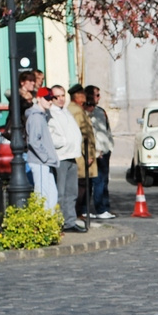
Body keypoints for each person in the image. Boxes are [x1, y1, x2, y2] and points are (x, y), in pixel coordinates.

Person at [46, 85, 85, 232]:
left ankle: (70, 221)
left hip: (71, 155)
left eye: (63, 95)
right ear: (52, 98)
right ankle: (59, 222)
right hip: (61, 156)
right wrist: (63, 142)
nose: (61, 99)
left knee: (72, 192)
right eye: (57, 96)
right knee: (60, 193)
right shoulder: (51, 113)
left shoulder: (66, 111)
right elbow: (51, 134)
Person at [24, 87, 59, 211]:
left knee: (51, 193)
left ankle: (50, 222)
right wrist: (45, 156)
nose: (49, 101)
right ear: (38, 98)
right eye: (47, 98)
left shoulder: (41, 115)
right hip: (39, 161)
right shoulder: (36, 117)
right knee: (42, 194)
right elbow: (34, 141)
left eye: (51, 99)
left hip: (44, 161)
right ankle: (42, 223)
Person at [67, 84, 98, 222]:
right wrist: (90, 154)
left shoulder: (69, 109)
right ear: (78, 97)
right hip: (81, 154)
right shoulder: (78, 112)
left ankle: (76, 212)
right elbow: (83, 134)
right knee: (82, 185)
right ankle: (77, 212)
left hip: (76, 153)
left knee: (78, 185)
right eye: (83, 95)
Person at [85, 85, 116, 221]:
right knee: (96, 182)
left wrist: (109, 146)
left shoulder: (100, 111)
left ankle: (105, 207)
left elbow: (106, 130)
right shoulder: (86, 112)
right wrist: (96, 151)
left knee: (104, 181)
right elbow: (91, 134)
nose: (99, 98)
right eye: (97, 95)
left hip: (105, 150)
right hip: (96, 152)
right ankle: (99, 208)